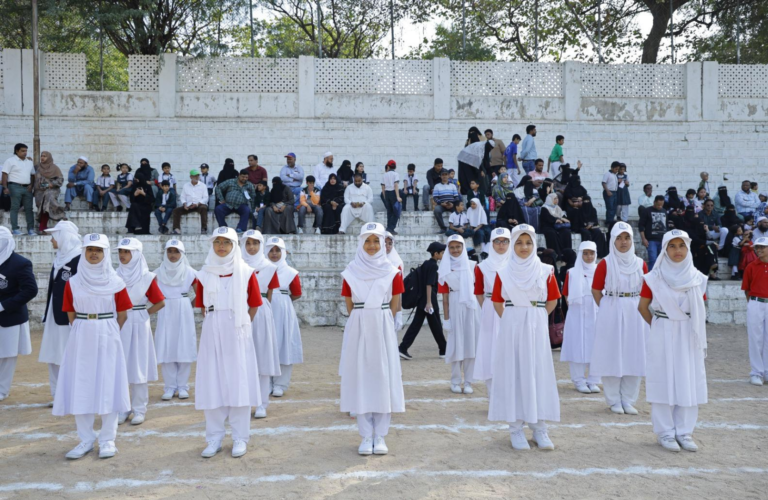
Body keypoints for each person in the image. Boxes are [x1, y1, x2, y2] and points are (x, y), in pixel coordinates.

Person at [52, 233, 131, 460]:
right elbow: (70, 312)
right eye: (89, 249)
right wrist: (84, 329)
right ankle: (85, 439)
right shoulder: (73, 282)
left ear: (105, 253)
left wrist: (108, 331)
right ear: (83, 253)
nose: (93, 253)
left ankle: (108, 440)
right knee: (82, 384)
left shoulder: (116, 282)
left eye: (98, 249)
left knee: (108, 384)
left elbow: (123, 314)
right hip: (81, 334)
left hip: (108, 332)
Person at [489, 224, 561, 450]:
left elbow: (552, 300)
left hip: (536, 326)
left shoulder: (546, 270)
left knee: (538, 372)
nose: (524, 247)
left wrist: (534, 317)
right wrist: (514, 317)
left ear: (535, 244)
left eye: (528, 242)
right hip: (512, 326)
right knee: (515, 373)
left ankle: (540, 428)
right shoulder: (504, 272)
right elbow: (497, 302)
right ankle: (516, 428)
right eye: (518, 242)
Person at [195, 227, 262, 458]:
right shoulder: (203, 274)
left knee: (238, 382)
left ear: (235, 245)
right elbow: (201, 306)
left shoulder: (246, 272)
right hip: (212, 328)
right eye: (217, 242)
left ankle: (240, 437)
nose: (221, 246)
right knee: (212, 381)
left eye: (226, 242)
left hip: (238, 329)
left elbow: (253, 304)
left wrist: (240, 324)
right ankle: (213, 437)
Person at [638, 230, 708, 452]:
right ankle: (665, 432)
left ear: (688, 248)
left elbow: (700, 307)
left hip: (689, 333)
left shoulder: (698, 278)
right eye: (672, 246)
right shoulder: (653, 277)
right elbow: (642, 307)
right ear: (665, 249)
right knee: (663, 379)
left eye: (682, 246)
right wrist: (661, 325)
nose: (677, 251)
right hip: (663, 329)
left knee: (688, 379)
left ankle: (684, 432)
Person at [339, 223, 405, 455]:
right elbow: (348, 300)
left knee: (383, 376)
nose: (372, 245)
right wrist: (361, 317)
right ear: (360, 242)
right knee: (361, 376)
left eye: (376, 240)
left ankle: (381, 435)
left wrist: (382, 318)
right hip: (358, 324)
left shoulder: (392, 270)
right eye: (367, 240)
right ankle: (366, 435)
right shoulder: (351, 270)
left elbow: (396, 301)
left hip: (383, 323)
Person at [590, 222, 649, 415]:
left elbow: (647, 291)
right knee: (611, 354)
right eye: (619, 238)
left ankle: (629, 399)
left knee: (634, 353)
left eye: (627, 238)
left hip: (635, 309)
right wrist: (609, 308)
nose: (623, 242)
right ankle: (614, 400)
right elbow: (596, 290)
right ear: (613, 240)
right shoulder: (605, 263)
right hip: (612, 308)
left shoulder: (641, 264)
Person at [116, 238, 165, 425]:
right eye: (121, 251)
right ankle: (123, 407)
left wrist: (144, 313)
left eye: (127, 252)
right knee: (121, 366)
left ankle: (139, 408)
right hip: (118, 322)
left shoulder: (147, 277)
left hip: (137, 323)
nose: (122, 255)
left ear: (136, 254)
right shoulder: (113, 275)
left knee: (137, 365)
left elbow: (160, 302)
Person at [240, 230, 281, 419]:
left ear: (261, 245)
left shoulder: (270, 268)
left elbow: (269, 294)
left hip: (262, 311)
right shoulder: (236, 265)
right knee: (243, 358)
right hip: (240, 311)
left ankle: (262, 403)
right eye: (248, 243)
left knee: (263, 356)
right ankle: (245, 401)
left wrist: (262, 311)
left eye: (255, 243)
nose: (251, 247)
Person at [39, 222, 81, 404]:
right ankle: (58, 396)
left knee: (69, 356)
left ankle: (72, 395)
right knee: (53, 355)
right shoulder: (59, 258)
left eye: (54, 236)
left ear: (64, 236)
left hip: (70, 317)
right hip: (53, 316)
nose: (51, 240)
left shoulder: (80, 259)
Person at [154, 239, 198, 402]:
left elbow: (199, 293)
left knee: (183, 346)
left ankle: (183, 386)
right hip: (165, 309)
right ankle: (170, 386)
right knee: (167, 347)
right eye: (170, 251)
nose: (173, 255)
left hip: (183, 310)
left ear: (182, 253)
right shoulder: (157, 273)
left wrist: (188, 305)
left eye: (176, 251)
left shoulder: (190, 272)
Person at [438, 235, 481, 394]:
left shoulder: (473, 266)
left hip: (471, 308)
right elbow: (445, 298)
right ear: (447, 249)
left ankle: (469, 381)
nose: (455, 250)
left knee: (471, 345)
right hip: (455, 306)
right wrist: (447, 319)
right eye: (452, 247)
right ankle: (455, 381)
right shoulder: (443, 269)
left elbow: (478, 291)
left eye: (458, 247)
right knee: (456, 346)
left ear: (463, 248)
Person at [472, 228, 511, 395]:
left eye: (505, 241)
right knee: (490, 348)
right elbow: (479, 292)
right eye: (497, 241)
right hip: (490, 309)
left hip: (511, 307)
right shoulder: (482, 267)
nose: (501, 245)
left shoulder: (516, 263)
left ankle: (509, 391)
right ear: (491, 243)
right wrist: (488, 308)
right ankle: (492, 393)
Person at [0, 227, 37, 402]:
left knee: (7, 355)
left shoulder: (20, 263)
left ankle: (2, 390)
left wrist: (3, 306)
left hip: (10, 317)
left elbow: (30, 290)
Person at [264, 237, 303, 397]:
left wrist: (282, 301)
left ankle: (280, 383)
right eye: (271, 251)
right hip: (263, 307)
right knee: (265, 343)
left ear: (283, 252)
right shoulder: (261, 269)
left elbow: (296, 293)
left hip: (283, 310)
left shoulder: (290, 272)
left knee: (283, 344)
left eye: (277, 250)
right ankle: (265, 382)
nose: (274, 254)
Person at [561, 241, 601, 394]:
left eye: (591, 253)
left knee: (595, 346)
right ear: (580, 254)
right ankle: (578, 380)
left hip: (596, 312)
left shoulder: (600, 270)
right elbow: (566, 294)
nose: (589, 256)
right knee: (577, 345)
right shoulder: (572, 272)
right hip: (577, 313)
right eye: (585, 253)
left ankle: (593, 380)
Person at [399, 242, 447, 360]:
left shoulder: (426, 263)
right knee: (434, 325)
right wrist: (429, 302)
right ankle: (443, 349)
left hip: (424, 300)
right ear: (436, 254)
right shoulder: (433, 266)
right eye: (442, 253)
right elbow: (429, 284)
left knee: (425, 325)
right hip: (428, 301)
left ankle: (443, 348)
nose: (444, 254)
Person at [742, 237, 768, 386]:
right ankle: (756, 372)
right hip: (756, 303)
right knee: (755, 338)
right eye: (757, 248)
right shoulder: (751, 266)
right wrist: (753, 304)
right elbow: (746, 288)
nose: (759, 250)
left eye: (762, 247)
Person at [2, 143, 36, 235]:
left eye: (26, 151)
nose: (25, 153)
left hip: (27, 188)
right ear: (17, 151)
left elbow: (33, 175)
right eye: (22, 151)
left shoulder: (29, 162)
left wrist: (32, 185)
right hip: (14, 186)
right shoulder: (10, 161)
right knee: (15, 207)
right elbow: (5, 175)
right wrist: (5, 187)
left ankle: (31, 229)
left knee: (29, 209)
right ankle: (15, 229)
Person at [215, 168, 256, 233]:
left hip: (241, 205)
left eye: (246, 177)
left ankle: (240, 228)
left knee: (246, 210)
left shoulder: (249, 185)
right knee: (218, 209)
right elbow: (218, 188)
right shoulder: (231, 181)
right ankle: (223, 227)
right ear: (239, 175)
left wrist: (253, 209)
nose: (244, 179)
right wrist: (221, 199)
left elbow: (253, 197)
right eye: (243, 177)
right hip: (228, 204)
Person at [34, 151, 67, 231]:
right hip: (40, 190)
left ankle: (60, 217)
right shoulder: (38, 168)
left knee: (47, 201)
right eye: (41, 156)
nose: (42, 158)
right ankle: (43, 228)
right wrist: (45, 185)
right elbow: (37, 181)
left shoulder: (55, 168)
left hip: (52, 189)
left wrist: (52, 184)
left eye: (44, 156)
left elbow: (60, 180)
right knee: (42, 207)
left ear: (49, 157)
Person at [172, 169, 209, 235]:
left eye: (198, 176)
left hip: (199, 204)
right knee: (176, 211)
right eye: (195, 176)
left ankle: (204, 228)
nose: (197, 177)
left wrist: (197, 204)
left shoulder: (203, 186)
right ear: (191, 177)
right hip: (189, 205)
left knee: (204, 208)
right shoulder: (186, 185)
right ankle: (176, 229)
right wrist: (184, 204)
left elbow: (206, 198)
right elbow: (182, 197)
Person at [639, 195, 668, 270]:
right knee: (653, 260)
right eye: (658, 205)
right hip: (651, 240)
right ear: (654, 202)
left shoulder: (664, 211)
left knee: (662, 261)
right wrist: (643, 239)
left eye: (662, 205)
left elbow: (666, 225)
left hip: (663, 240)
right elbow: (641, 226)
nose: (660, 206)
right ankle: (651, 278)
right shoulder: (647, 211)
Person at [539, 193, 572, 258]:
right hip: (548, 226)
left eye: (557, 198)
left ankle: (567, 253)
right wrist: (556, 220)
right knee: (552, 234)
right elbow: (547, 218)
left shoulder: (557, 208)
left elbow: (562, 216)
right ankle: (557, 254)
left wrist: (564, 219)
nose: (557, 200)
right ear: (550, 200)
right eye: (554, 199)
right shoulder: (545, 208)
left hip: (557, 226)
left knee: (566, 232)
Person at [385, 232, 405, 332]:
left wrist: (399, 313)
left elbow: (398, 291)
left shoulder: (397, 263)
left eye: (390, 243)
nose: (387, 246)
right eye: (384, 243)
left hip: (390, 305)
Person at [125, 170, 155, 235]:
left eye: (137, 179)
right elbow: (131, 200)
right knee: (133, 206)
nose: (136, 180)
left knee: (135, 207)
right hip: (137, 205)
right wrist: (135, 195)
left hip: (146, 206)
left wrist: (143, 193)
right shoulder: (134, 186)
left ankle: (135, 227)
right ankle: (133, 227)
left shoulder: (147, 186)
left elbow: (152, 199)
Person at [380, 160, 402, 234]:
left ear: (388, 166)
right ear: (395, 167)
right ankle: (391, 228)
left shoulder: (385, 175)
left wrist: (384, 196)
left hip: (387, 193)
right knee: (396, 212)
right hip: (393, 193)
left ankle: (389, 228)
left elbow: (383, 187)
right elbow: (396, 185)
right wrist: (398, 196)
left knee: (389, 212)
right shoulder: (396, 174)